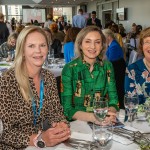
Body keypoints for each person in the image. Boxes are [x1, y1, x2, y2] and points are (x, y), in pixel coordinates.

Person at [0, 26, 70, 149]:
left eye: (42, 45)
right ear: (22, 50)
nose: (38, 50)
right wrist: (39, 139)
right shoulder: (7, 81)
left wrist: (61, 124)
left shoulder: (48, 77)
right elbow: (4, 132)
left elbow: (56, 112)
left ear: (48, 48)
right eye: (31, 46)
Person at [61, 26, 119, 123]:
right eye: (87, 41)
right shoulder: (69, 69)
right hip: (78, 124)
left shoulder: (107, 66)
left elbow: (114, 101)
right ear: (80, 45)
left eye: (97, 42)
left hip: (103, 120)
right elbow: (67, 109)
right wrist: (94, 117)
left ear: (102, 46)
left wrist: (109, 113)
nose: (93, 46)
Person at [125, 27, 150, 104]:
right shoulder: (132, 70)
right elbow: (130, 102)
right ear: (141, 46)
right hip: (139, 115)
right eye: (147, 42)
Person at [102, 29, 126, 109]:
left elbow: (110, 62)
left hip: (118, 71)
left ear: (108, 37)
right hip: (116, 68)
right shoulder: (111, 45)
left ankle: (119, 106)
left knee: (117, 88)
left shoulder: (114, 46)